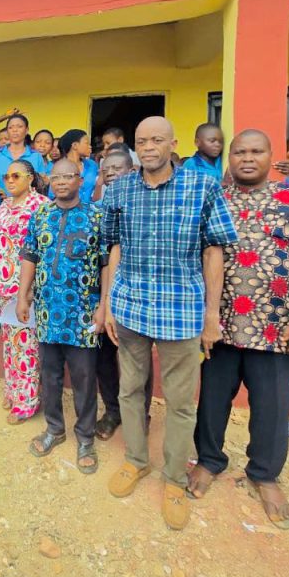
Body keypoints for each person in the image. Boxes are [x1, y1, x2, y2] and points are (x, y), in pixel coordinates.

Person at [190, 130, 289, 528]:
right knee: (212, 401)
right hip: (218, 325)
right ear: (230, 158)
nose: (247, 158)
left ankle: (264, 474)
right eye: (240, 152)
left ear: (271, 156)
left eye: (256, 151)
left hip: (276, 326)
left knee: (272, 406)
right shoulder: (213, 200)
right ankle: (209, 460)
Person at [101, 116, 237, 530]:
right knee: (130, 389)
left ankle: (174, 479)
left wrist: (212, 314)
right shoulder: (120, 188)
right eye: (141, 141)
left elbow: (215, 251)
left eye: (157, 140)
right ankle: (135, 460)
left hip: (181, 310)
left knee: (179, 402)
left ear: (173, 143)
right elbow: (115, 245)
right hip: (131, 306)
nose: (148, 148)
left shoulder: (203, 185)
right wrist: (108, 304)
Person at [17, 158, 105, 474]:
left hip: (83, 312)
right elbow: (30, 254)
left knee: (83, 378)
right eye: (56, 177)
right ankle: (54, 428)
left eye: (68, 176)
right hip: (47, 310)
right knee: (50, 375)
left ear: (80, 180)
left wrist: (103, 304)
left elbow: (107, 263)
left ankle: (85, 438)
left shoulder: (97, 216)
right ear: (49, 181)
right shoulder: (40, 215)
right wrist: (22, 294)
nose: (62, 182)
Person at [95, 150, 153, 440]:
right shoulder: (94, 208)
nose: (111, 173)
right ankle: (113, 411)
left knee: (138, 360)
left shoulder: (145, 207)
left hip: (135, 296)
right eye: (106, 170)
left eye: (117, 168)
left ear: (133, 170)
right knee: (104, 357)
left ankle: (140, 416)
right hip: (101, 295)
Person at [0, 160, 48, 424]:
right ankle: (13, 390)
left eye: (16, 175)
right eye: (6, 176)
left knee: (26, 347)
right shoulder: (4, 206)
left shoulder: (41, 206)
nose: (10, 180)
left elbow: (42, 251)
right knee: (10, 342)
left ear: (31, 178)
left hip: (26, 289)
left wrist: (30, 290)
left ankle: (27, 401)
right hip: (4, 287)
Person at [0, 114, 46, 196]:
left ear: (27, 130)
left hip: (28, 206)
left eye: (19, 126)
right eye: (11, 127)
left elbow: (41, 186)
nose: (15, 130)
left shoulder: (36, 156)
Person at [56, 129, 99, 203]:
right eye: (87, 143)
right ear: (75, 145)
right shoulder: (58, 168)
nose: (90, 147)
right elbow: (52, 195)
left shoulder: (92, 165)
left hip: (91, 211)